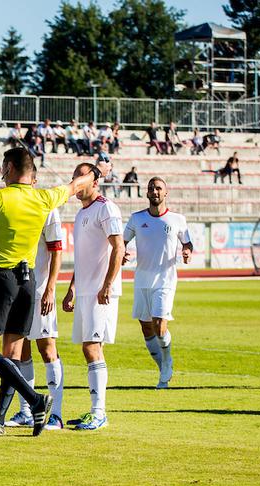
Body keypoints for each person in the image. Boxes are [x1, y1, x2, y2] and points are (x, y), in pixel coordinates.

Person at [0, 149, 99, 435]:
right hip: (28, 281)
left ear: (8, 167)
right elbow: (74, 186)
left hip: (0, 278)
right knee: (10, 355)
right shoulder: (43, 198)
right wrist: (95, 174)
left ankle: (35, 399)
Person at [60, 163, 125, 431]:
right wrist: (73, 287)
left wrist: (108, 285)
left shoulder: (106, 207)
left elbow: (119, 248)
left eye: (80, 177)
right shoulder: (81, 213)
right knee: (92, 348)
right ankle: (95, 411)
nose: (75, 182)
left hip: (101, 292)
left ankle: (99, 413)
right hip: (85, 290)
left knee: (91, 348)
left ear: (92, 181)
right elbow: (83, 257)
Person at [2, 178, 66, 431]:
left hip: (39, 290)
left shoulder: (46, 206)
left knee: (47, 348)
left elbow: (56, 250)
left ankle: (57, 415)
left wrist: (50, 288)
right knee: (21, 350)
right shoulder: (9, 203)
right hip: (17, 289)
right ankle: (26, 410)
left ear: (34, 180)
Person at [122, 178, 193, 388]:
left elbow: (187, 242)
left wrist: (187, 251)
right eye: (151, 188)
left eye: (158, 188)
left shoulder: (177, 219)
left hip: (166, 279)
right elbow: (121, 241)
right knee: (146, 327)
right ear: (147, 193)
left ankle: (167, 360)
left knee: (160, 323)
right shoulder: (136, 219)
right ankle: (162, 366)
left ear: (166, 193)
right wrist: (122, 251)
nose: (154, 191)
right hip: (142, 280)